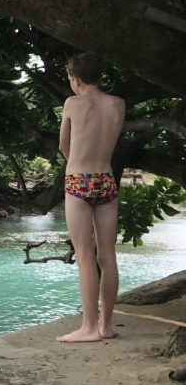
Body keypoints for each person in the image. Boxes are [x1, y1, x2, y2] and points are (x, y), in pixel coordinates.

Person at [57, 53, 125, 343]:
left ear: (75, 78)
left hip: (79, 181)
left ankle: (88, 327)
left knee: (85, 258)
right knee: (107, 257)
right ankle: (106, 325)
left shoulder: (72, 103)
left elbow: (63, 145)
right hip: (106, 180)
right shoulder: (118, 104)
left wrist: (76, 167)